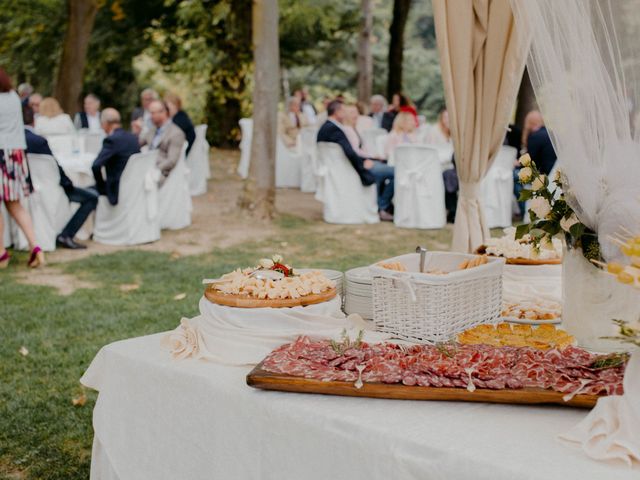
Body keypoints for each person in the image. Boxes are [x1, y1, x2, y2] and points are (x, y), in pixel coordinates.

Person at [23, 105, 98, 249]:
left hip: (27, 188)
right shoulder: (39, 141)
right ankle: (66, 234)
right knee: (91, 197)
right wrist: (68, 183)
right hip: (52, 188)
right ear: (34, 120)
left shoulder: (13, 141)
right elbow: (56, 170)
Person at [317, 100, 394, 221]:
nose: (347, 113)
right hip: (346, 170)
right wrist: (363, 168)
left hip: (339, 168)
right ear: (337, 112)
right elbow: (350, 153)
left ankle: (382, 207)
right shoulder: (334, 129)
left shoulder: (328, 127)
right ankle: (383, 207)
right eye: (344, 110)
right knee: (387, 172)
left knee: (380, 172)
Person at [0, 68, 44, 268]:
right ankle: (35, 246)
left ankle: (1, 252)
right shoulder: (13, 97)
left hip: (1, 152)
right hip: (16, 154)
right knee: (14, 204)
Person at [92, 108, 140, 206]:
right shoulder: (133, 138)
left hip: (116, 190)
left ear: (105, 123)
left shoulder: (111, 140)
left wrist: (102, 187)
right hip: (134, 188)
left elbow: (96, 166)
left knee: (86, 193)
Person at [139, 100, 185, 184]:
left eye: (152, 113)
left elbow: (172, 161)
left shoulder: (176, 133)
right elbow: (138, 143)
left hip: (162, 174)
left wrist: (154, 169)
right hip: (146, 167)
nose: (150, 117)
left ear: (163, 112)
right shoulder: (153, 129)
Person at [522, 110, 556, 175]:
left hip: (545, 175)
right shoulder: (551, 134)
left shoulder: (535, 136)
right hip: (555, 173)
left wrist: (518, 163)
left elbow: (530, 162)